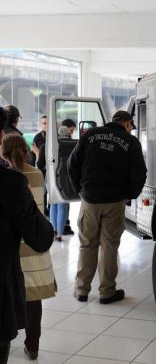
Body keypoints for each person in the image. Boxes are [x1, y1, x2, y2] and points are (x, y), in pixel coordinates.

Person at [67, 110, 147, 304]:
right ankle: (107, 291)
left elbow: (72, 164)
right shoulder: (131, 142)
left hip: (90, 200)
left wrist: (80, 190)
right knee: (110, 246)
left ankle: (82, 290)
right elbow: (140, 173)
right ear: (127, 124)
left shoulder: (91, 135)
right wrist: (130, 195)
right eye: (131, 126)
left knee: (87, 244)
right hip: (114, 201)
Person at [0, 107, 54, 364]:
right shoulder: (14, 182)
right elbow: (41, 236)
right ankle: (32, 344)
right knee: (32, 299)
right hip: (25, 254)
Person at [49, 125, 72, 242]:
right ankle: (59, 235)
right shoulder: (72, 146)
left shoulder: (49, 145)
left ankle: (53, 231)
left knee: (54, 204)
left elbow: (41, 162)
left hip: (51, 178)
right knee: (63, 206)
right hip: (65, 180)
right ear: (69, 134)